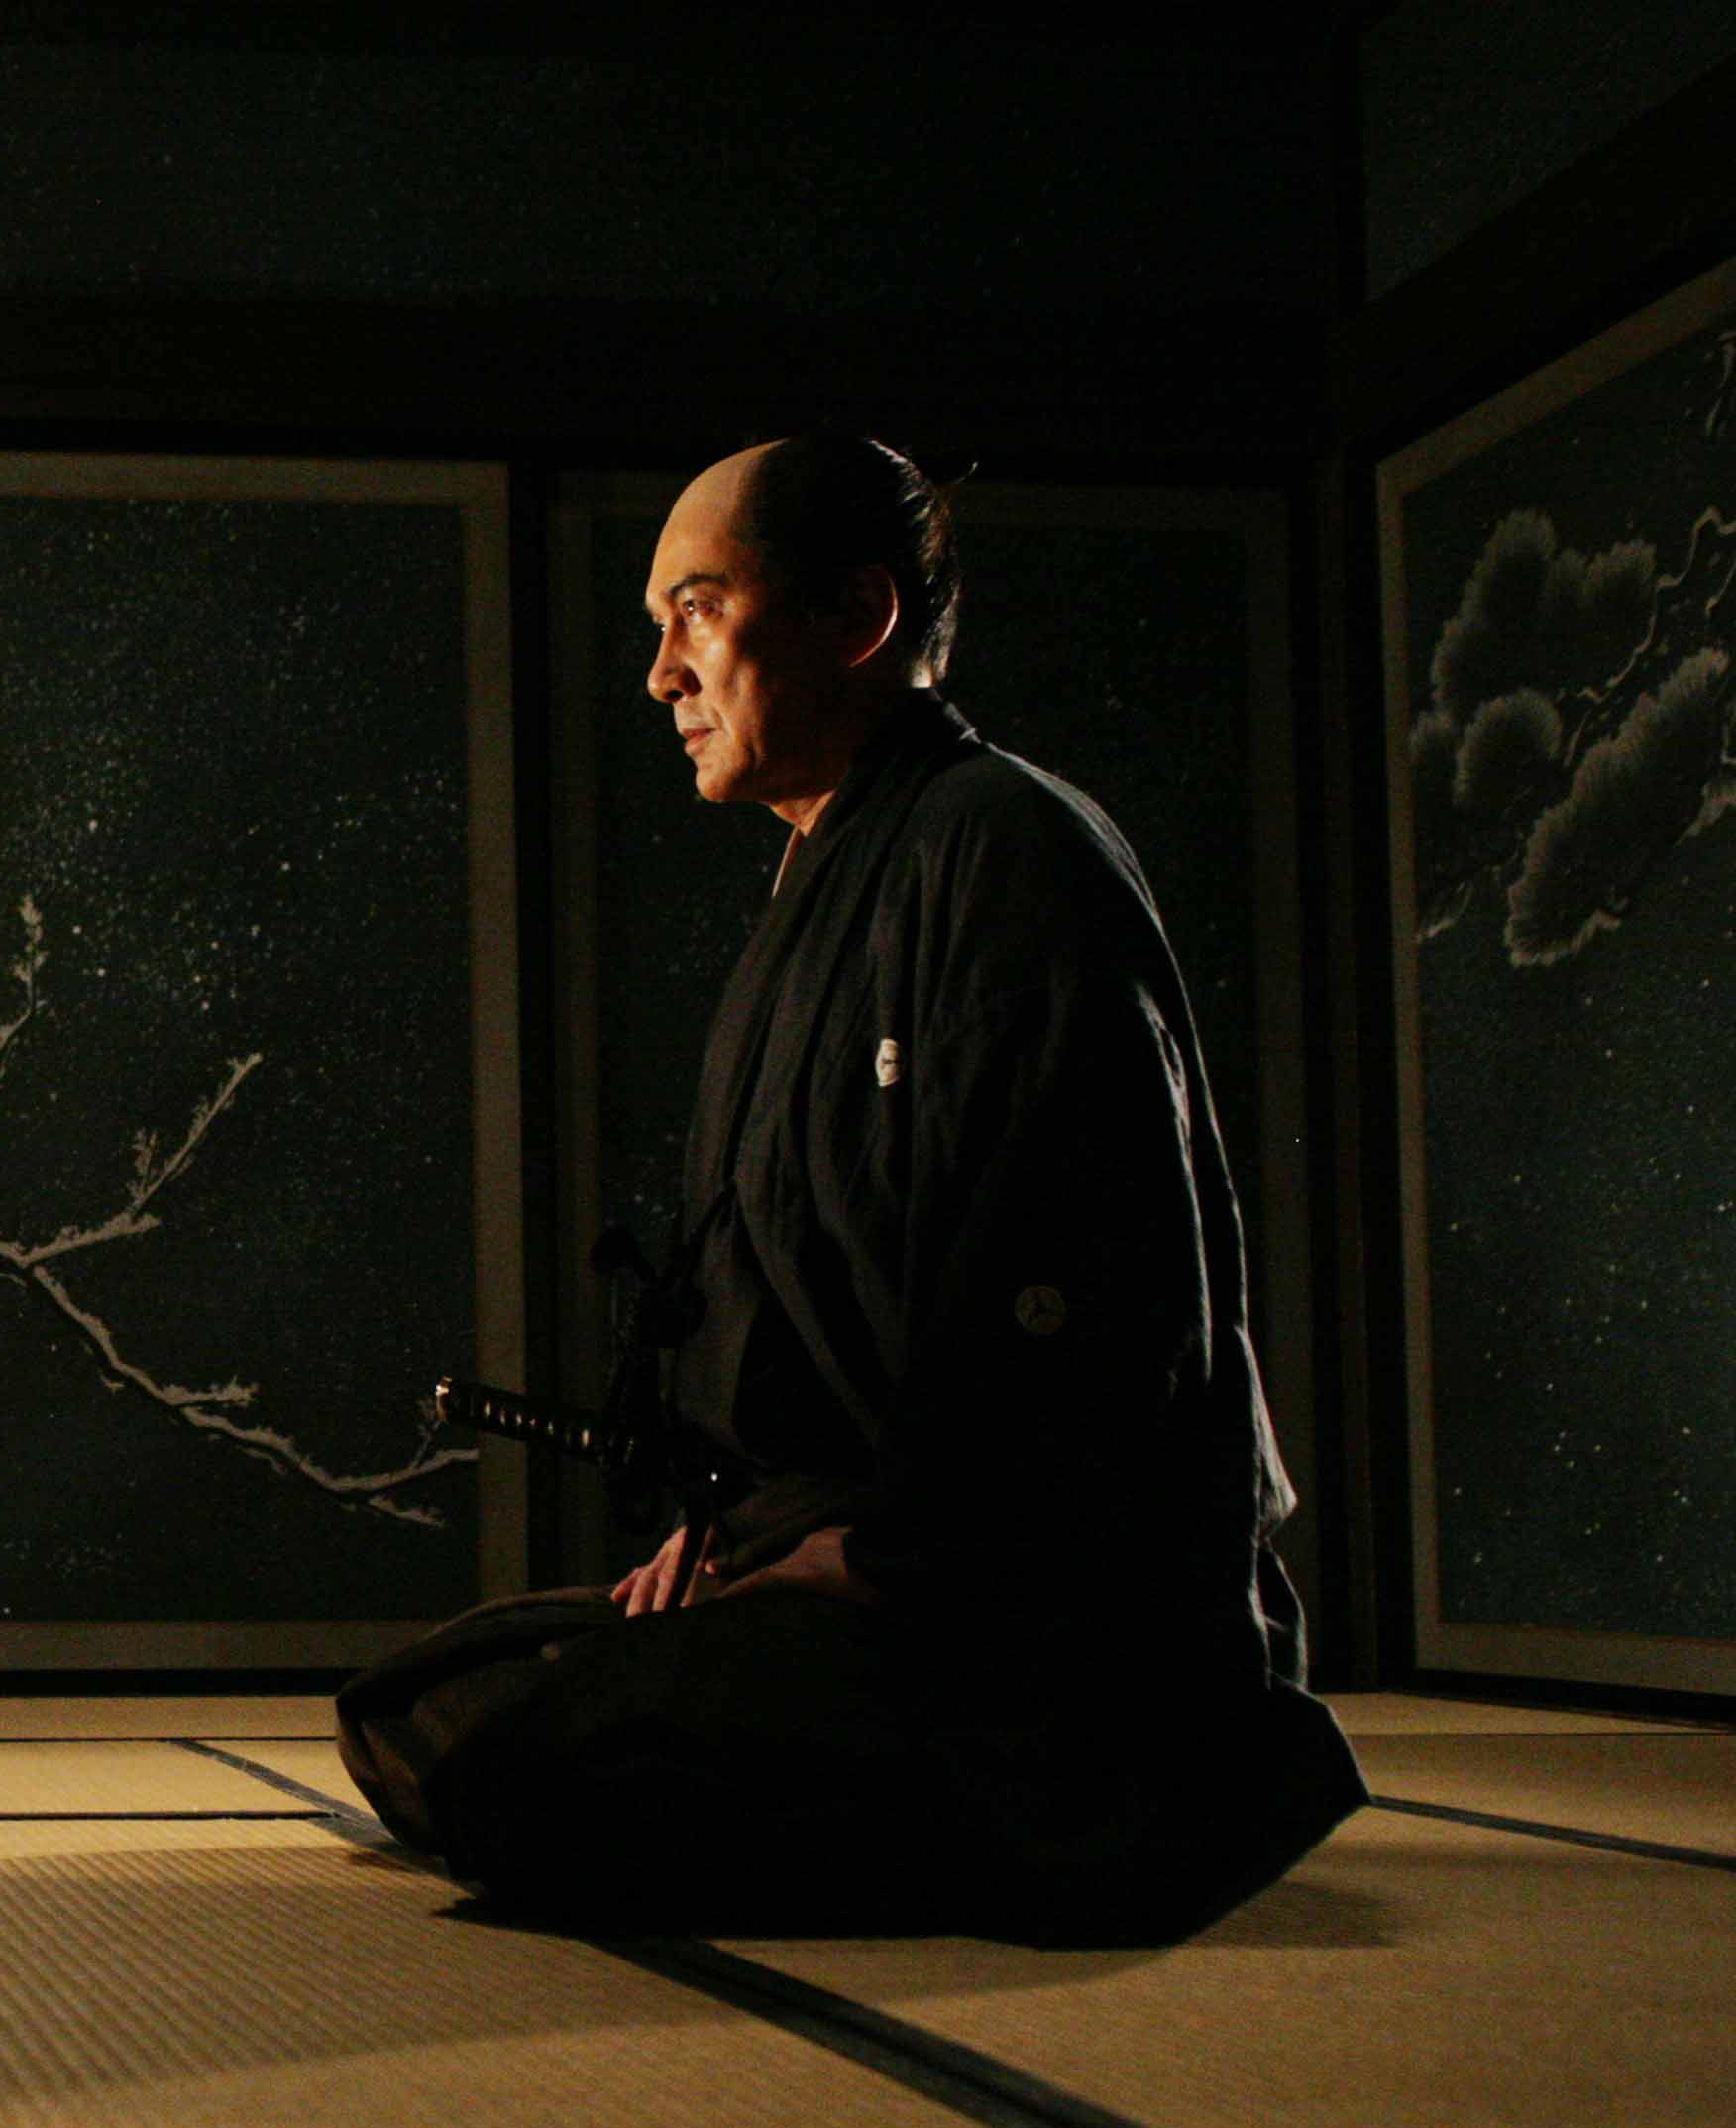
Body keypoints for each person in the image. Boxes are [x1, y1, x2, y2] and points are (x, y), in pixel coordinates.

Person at [338, 434, 1362, 1945]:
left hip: (1020, 1601)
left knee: (529, 1776)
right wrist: (731, 1538)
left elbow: (1078, 1286)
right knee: (420, 1698)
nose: (661, 675)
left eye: (697, 609)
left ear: (857, 617)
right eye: (656, 627)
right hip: (839, 1543)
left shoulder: (1006, 848)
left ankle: (1127, 1804)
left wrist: (876, 1555)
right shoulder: (825, 880)